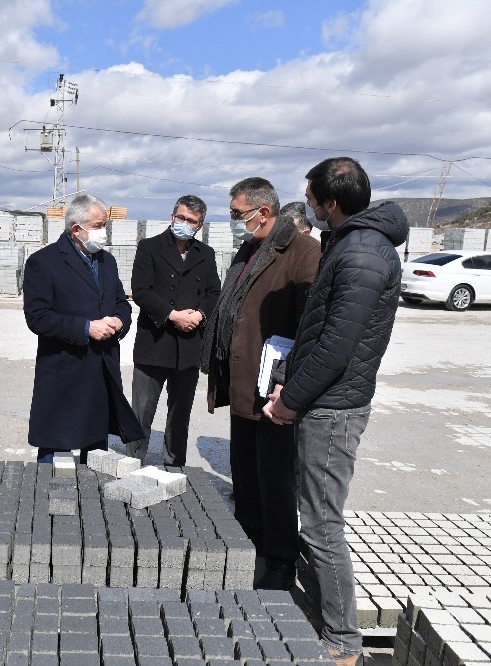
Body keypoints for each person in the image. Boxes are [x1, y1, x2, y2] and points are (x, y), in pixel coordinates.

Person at [264, 157, 408, 666]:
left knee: (322, 524)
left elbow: (336, 346)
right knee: (316, 518)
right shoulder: (350, 243)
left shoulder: (364, 253)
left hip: (333, 408)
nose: (306, 204)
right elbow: (318, 332)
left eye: (310, 196)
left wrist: (290, 401)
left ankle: (344, 643)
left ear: (331, 202)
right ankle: (328, 615)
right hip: (323, 400)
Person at [199, 177, 320, 590]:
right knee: (245, 472)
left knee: (276, 478)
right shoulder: (250, 249)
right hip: (242, 378)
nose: (233, 221)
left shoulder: (303, 252)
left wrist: (289, 383)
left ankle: (281, 559)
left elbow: (311, 327)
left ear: (263, 212)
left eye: (237, 214)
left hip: (274, 390)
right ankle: (246, 539)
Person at [22, 193, 143, 463]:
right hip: (65, 368)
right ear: (78, 229)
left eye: (105, 225)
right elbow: (38, 317)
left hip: (101, 369)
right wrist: (86, 328)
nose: (104, 232)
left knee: (97, 452)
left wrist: (120, 321)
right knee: (54, 456)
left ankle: (91, 501)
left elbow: (122, 302)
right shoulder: (44, 262)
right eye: (99, 226)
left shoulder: (106, 261)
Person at [129, 195, 221, 466]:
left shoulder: (206, 254)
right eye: (180, 217)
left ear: (199, 225)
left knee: (180, 412)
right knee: (141, 411)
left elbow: (214, 292)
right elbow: (141, 291)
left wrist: (200, 314)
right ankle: (134, 460)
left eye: (191, 221)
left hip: (189, 344)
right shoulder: (149, 247)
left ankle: (174, 463)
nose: (184, 223)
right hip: (154, 341)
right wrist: (171, 315)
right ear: (172, 217)